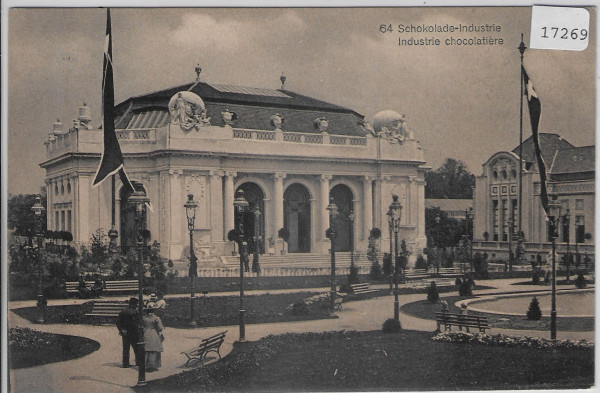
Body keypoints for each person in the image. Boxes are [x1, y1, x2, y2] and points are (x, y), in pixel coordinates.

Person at [116, 297, 141, 368]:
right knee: (136, 347)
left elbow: (118, 322)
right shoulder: (135, 312)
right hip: (134, 332)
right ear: (133, 304)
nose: (137, 305)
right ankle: (138, 362)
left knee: (126, 348)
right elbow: (137, 322)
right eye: (136, 304)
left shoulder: (123, 311)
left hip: (126, 332)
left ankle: (125, 363)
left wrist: (121, 330)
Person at [143, 304, 164, 372]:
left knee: (147, 349)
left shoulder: (144, 318)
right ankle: (153, 365)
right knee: (154, 349)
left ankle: (146, 365)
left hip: (146, 333)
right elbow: (160, 328)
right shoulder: (156, 318)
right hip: (154, 333)